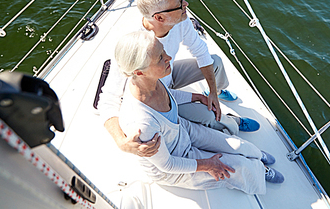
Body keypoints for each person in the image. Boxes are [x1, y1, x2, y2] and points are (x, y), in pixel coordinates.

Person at [98, 0, 259, 157]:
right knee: (208, 116)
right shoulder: (132, 44)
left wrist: (212, 91)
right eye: (179, 4)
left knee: (216, 63)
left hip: (170, 73)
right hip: (157, 96)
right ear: (159, 18)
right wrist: (122, 142)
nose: (186, 4)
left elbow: (199, 49)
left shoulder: (179, 20)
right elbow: (107, 100)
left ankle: (218, 93)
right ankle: (231, 122)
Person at [115, 31, 284, 193]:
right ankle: (260, 171)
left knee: (239, 145)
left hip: (182, 130)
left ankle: (256, 155)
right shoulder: (142, 124)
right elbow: (167, 165)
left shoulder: (150, 82)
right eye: (160, 58)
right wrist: (207, 164)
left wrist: (196, 97)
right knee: (239, 167)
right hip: (175, 161)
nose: (169, 58)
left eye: (164, 51)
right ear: (139, 72)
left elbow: (168, 94)